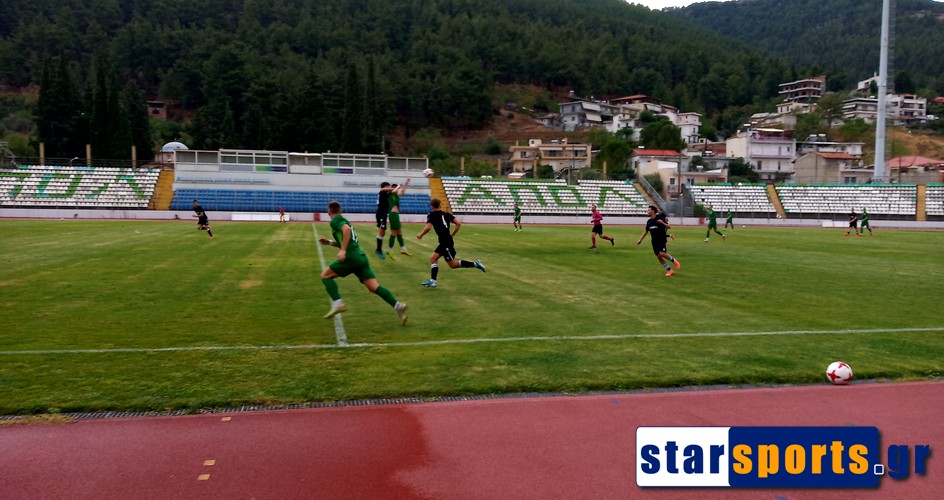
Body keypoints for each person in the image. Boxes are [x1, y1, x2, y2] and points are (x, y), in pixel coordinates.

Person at [318, 201, 408, 325]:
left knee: (325, 276)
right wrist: (328, 242)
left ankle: (338, 303)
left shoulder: (335, 221)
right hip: (360, 257)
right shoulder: (343, 219)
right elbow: (345, 239)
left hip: (351, 258)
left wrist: (343, 251)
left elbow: (346, 230)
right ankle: (398, 306)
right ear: (341, 210)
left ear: (328, 212)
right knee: (374, 287)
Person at [416, 198, 486, 288]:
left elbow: (428, 227)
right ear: (440, 205)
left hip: (446, 243)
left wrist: (421, 234)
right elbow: (458, 223)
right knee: (433, 258)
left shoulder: (431, 215)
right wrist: (452, 234)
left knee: (453, 264)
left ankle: (475, 264)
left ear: (432, 206)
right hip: (445, 241)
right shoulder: (446, 214)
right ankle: (433, 281)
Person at [637, 205, 681, 277]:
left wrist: (663, 223)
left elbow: (669, 226)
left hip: (662, 239)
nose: (647, 211)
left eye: (648, 210)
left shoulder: (659, 219)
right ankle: (670, 270)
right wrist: (640, 239)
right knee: (659, 257)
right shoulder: (649, 221)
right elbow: (646, 231)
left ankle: (674, 261)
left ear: (653, 211)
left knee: (662, 253)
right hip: (654, 241)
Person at [386, 179, 412, 258]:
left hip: (396, 215)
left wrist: (406, 183)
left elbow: (403, 192)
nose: (398, 190)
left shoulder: (396, 196)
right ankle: (390, 250)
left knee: (399, 232)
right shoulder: (390, 193)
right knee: (394, 233)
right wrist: (398, 186)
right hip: (393, 214)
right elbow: (394, 191)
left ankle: (403, 249)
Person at [374, 181, 396, 259]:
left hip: (383, 214)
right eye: (388, 186)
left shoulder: (385, 194)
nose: (389, 188)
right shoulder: (382, 191)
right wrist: (392, 188)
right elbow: (384, 189)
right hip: (381, 213)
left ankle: (378, 249)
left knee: (382, 233)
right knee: (381, 231)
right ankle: (378, 250)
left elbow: (393, 193)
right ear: (385, 187)